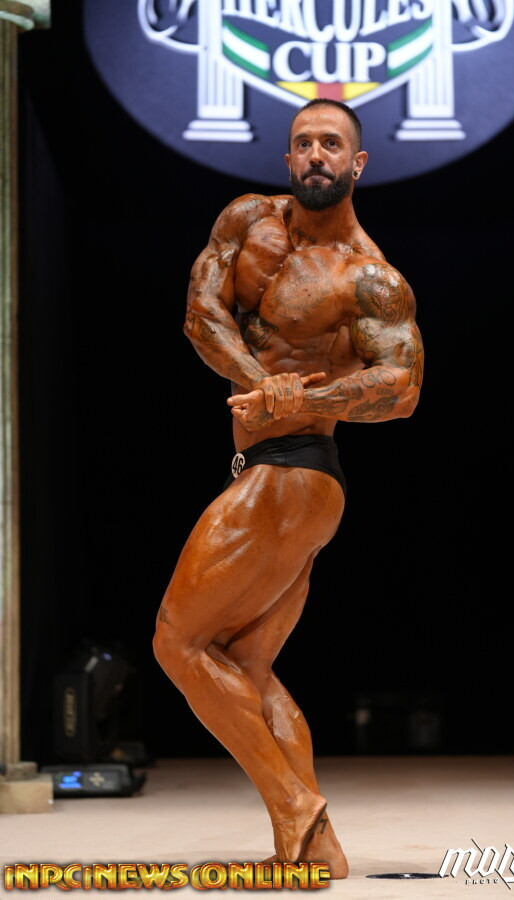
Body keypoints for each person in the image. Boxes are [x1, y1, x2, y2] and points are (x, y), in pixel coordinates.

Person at [153, 99, 424, 879]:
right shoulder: (247, 220)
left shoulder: (368, 276)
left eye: (331, 144)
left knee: (177, 642)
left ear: (357, 164)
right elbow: (201, 315)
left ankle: (297, 809)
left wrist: (303, 401)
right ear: (287, 158)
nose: (315, 155)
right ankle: (310, 852)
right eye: (304, 142)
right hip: (267, 464)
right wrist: (256, 381)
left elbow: (403, 387)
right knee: (245, 664)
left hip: (299, 470)